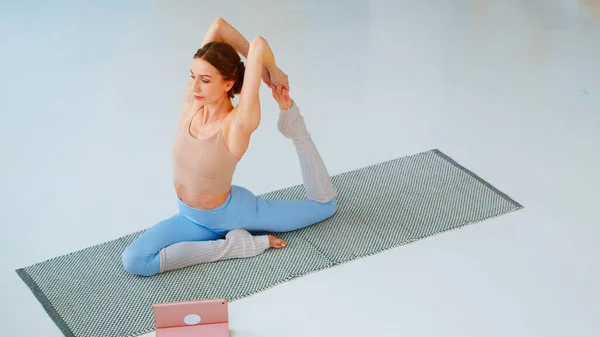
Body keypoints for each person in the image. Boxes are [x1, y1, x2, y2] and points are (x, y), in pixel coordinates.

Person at [121, 18, 338, 277]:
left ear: (227, 84)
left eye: (204, 80)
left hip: (235, 214)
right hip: (190, 217)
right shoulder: (192, 106)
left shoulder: (237, 124)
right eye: (192, 77)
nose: (194, 87)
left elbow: (258, 45)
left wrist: (272, 72)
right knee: (135, 260)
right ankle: (235, 245)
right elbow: (218, 26)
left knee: (325, 206)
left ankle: (295, 127)